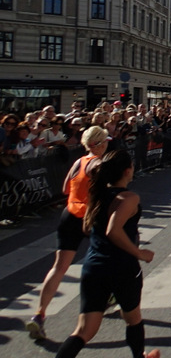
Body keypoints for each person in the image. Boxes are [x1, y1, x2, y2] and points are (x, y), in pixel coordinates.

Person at [54, 149, 158, 358]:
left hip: (94, 265)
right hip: (122, 267)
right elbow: (113, 230)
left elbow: (86, 227)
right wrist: (139, 253)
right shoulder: (128, 197)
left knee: (84, 331)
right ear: (128, 170)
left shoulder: (97, 194)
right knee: (133, 318)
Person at [26, 126, 110, 340]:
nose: (108, 145)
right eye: (105, 142)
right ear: (99, 145)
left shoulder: (78, 162)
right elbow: (107, 193)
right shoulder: (99, 164)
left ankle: (39, 314)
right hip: (90, 217)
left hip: (69, 214)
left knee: (59, 267)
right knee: (108, 258)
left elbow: (65, 189)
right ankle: (105, 300)